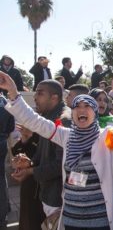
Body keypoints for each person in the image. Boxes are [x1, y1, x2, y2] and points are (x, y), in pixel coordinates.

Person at [0, 70, 113, 229]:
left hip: (101, 222)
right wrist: (12, 91)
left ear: (94, 113)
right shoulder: (65, 136)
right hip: (71, 220)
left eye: (87, 106)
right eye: (77, 107)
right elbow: (35, 122)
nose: (81, 110)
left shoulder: (106, 136)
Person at [10, 80, 72, 229]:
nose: (35, 97)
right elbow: (43, 154)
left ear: (54, 98)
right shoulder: (49, 116)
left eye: (40, 93)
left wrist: (30, 171)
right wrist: (29, 162)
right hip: (47, 193)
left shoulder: (63, 120)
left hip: (58, 197)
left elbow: (61, 164)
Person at [11, 126, 45, 230]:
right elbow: (16, 151)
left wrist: (30, 136)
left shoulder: (42, 134)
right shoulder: (28, 136)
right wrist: (25, 139)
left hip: (39, 185)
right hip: (27, 183)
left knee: (36, 218)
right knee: (26, 216)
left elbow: (36, 158)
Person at [0, 93, 15, 229]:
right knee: (1, 176)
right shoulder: (5, 101)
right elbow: (11, 127)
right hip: (2, 141)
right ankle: (4, 209)